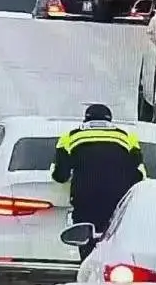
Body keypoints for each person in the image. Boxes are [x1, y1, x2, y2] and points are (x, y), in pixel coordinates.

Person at [50, 104, 147, 259]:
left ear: (86, 119)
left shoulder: (69, 138)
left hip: (85, 200)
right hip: (117, 201)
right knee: (115, 240)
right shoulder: (128, 138)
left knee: (86, 241)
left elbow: (60, 176)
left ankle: (88, 269)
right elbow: (140, 174)